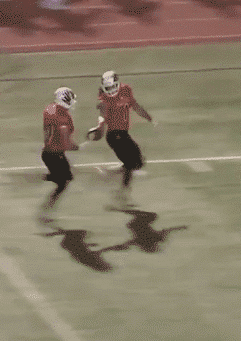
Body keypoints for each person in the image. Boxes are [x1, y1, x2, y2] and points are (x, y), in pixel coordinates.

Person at [87, 71, 155, 209]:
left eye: (113, 87)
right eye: (108, 88)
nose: (110, 90)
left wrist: (148, 117)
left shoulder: (126, 89)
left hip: (124, 134)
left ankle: (110, 173)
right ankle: (123, 195)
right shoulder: (104, 99)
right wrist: (99, 126)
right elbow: (102, 115)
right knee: (131, 164)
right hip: (114, 136)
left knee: (139, 163)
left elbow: (134, 105)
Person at [39, 87, 81, 227]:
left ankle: (51, 176)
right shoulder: (64, 119)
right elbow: (66, 143)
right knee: (64, 182)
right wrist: (75, 146)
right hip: (54, 155)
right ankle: (47, 210)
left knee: (67, 176)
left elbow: (49, 131)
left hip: (47, 152)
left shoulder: (49, 109)